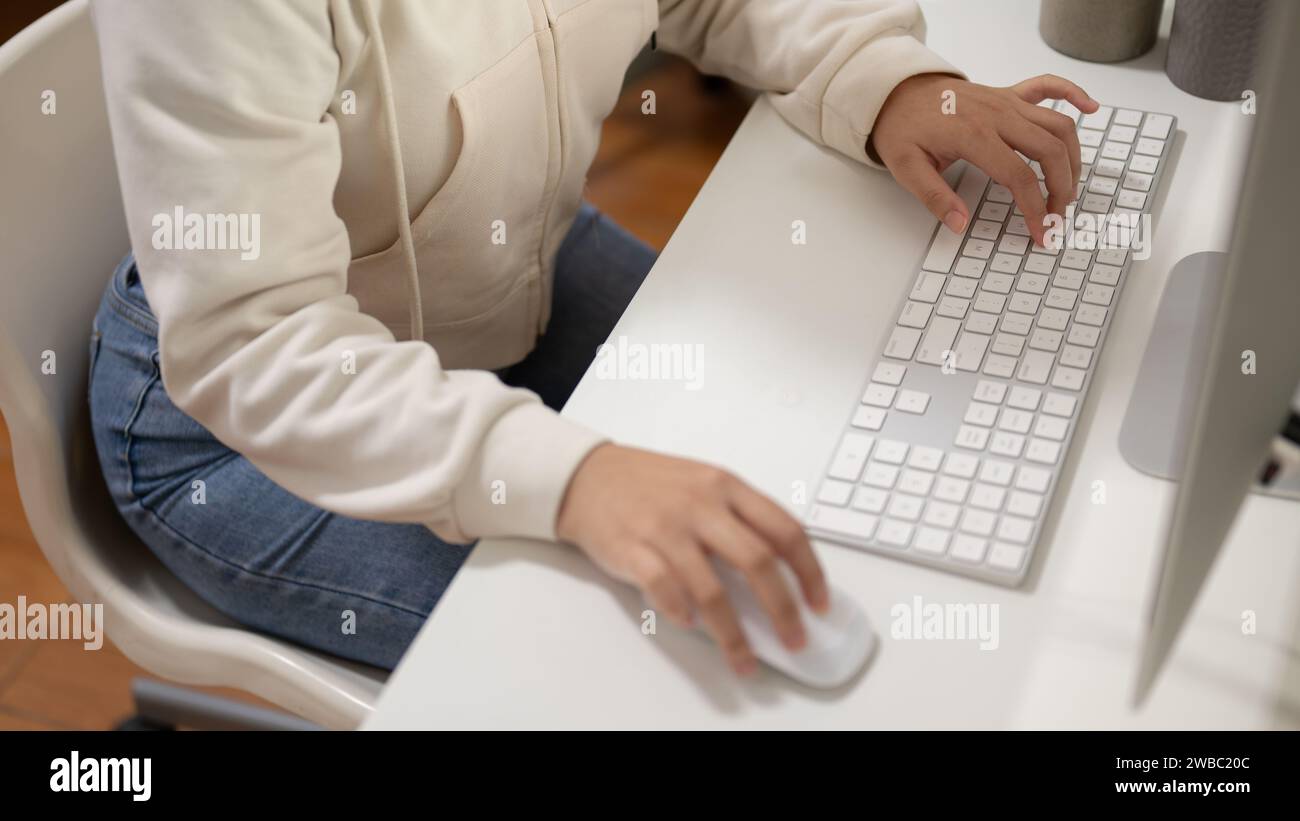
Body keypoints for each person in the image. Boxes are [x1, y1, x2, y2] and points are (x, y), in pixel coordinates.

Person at [87, 0, 1097, 674]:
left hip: (515, 269)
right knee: (654, 663)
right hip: (235, 421)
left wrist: (882, 78)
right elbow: (250, 342)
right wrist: (572, 479)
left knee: (824, 475)